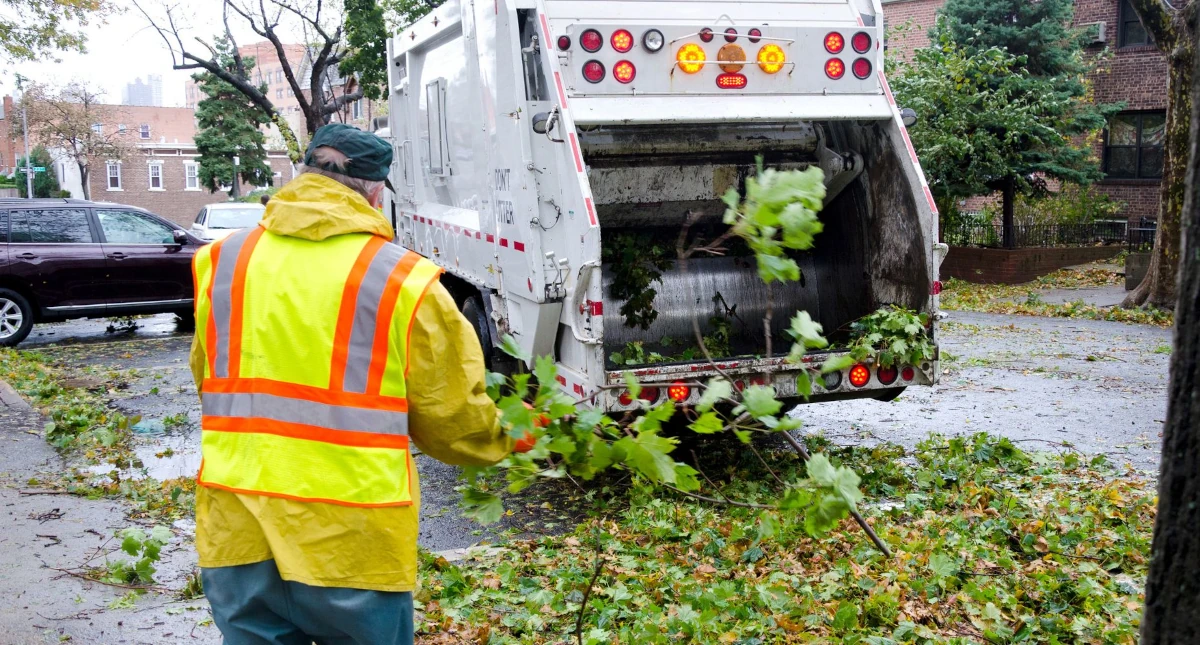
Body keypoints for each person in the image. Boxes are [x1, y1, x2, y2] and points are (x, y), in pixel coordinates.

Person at [189, 123, 523, 644]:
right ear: (373, 193)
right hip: (350, 541)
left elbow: (205, 375)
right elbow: (453, 422)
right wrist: (513, 435)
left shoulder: (222, 261)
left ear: (303, 175)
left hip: (237, 527)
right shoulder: (402, 280)